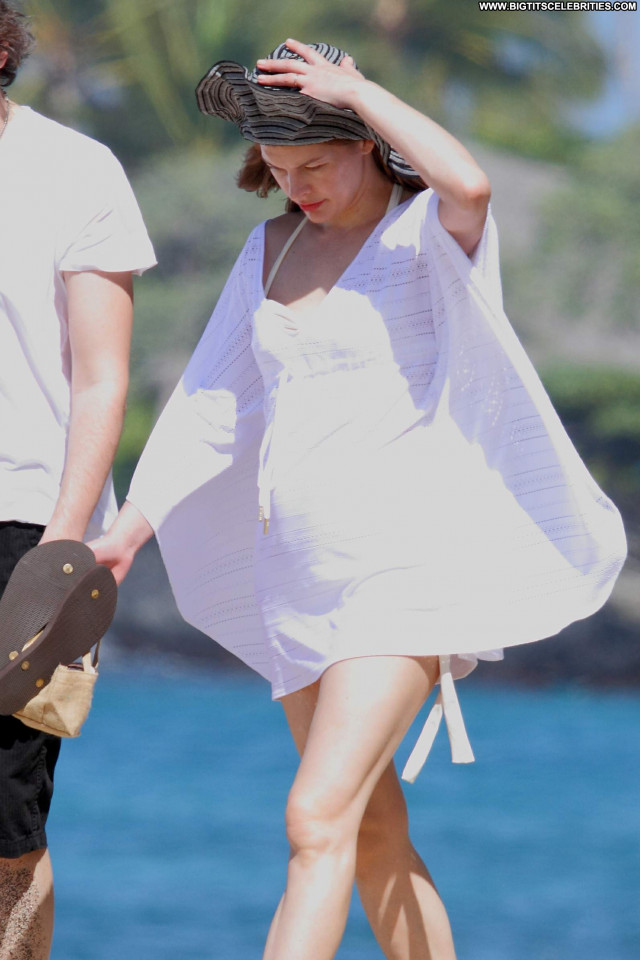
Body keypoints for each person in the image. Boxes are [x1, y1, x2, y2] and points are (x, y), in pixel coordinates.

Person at [92, 40, 626, 960]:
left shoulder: (426, 237)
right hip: (296, 581)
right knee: (370, 834)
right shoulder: (270, 251)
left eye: (314, 166)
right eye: (278, 169)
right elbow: (211, 408)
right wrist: (126, 534)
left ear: (366, 142)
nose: (295, 187)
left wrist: (359, 89)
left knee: (313, 818)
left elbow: (471, 185)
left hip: (400, 576)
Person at [0, 3, 156, 957]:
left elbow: (102, 377)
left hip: (27, 520)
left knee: (7, 820)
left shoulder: (74, 168)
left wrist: (61, 550)